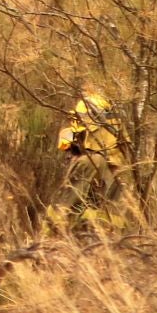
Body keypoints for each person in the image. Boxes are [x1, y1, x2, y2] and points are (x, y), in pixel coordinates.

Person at [53, 92, 128, 235]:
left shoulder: (89, 161)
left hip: (75, 244)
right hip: (107, 247)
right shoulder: (116, 173)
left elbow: (65, 205)